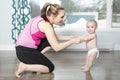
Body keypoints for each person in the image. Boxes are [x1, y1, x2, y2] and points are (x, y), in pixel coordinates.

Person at [15, 2, 81, 78]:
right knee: (50, 68)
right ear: (53, 16)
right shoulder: (47, 26)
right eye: (62, 17)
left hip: (22, 49)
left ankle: (34, 62)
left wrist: (69, 37)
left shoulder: (43, 18)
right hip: (24, 52)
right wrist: (72, 41)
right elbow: (57, 48)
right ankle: (25, 67)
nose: (63, 19)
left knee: (49, 41)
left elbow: (53, 36)